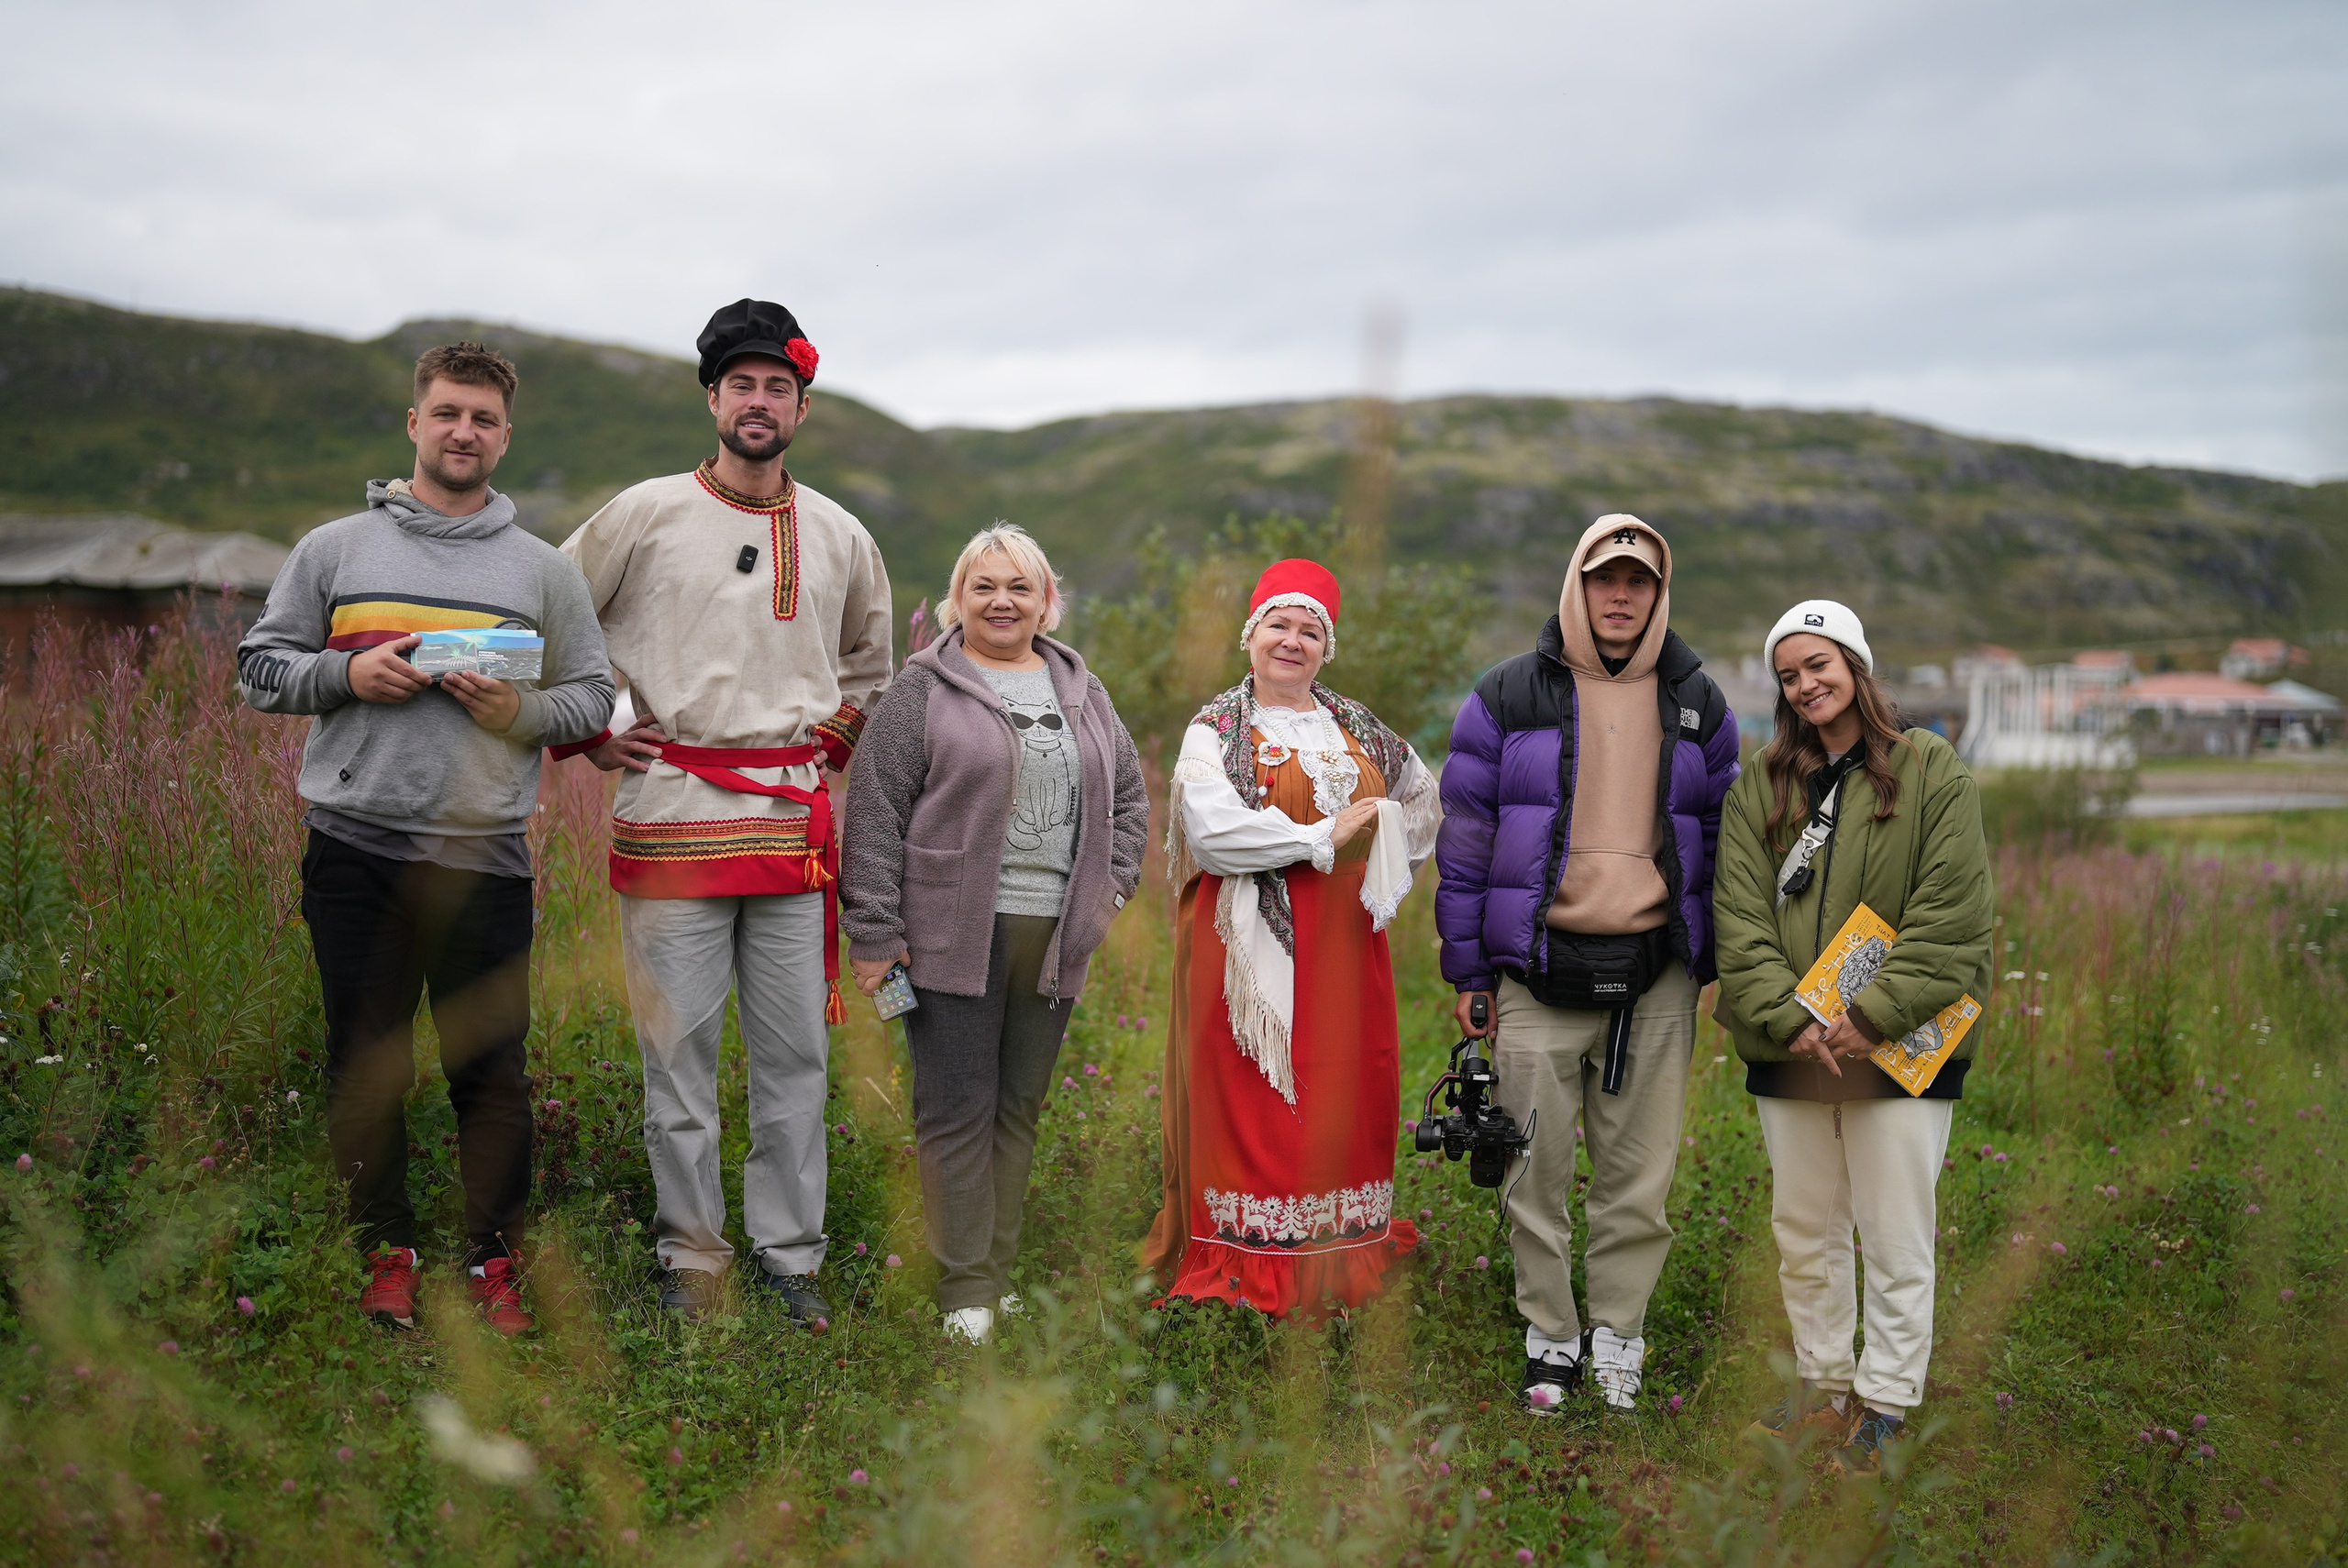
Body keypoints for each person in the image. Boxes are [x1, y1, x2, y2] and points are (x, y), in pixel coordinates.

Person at [238, 342, 615, 1336]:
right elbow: (258, 670)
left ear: (505, 436)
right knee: (368, 1062)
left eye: (484, 419)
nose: (464, 432)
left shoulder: (542, 571)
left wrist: (516, 714)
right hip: (355, 850)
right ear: (415, 423)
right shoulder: (334, 550)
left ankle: (494, 1262)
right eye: (448, 413)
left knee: (489, 1073)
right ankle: (386, 1253)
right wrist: (346, 678)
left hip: (482, 856)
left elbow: (590, 698)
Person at [555, 299, 892, 1323]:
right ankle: (692, 1261)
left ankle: (791, 1259)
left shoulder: (838, 532)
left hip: (791, 833)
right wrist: (598, 727)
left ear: (801, 405)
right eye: (740, 384)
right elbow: (551, 617)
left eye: (776, 387)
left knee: (796, 1059)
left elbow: (872, 667)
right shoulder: (645, 512)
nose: (758, 402)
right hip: (669, 818)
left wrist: (819, 752)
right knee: (679, 1059)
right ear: (712, 397)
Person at [1435, 514, 1738, 1414]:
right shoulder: (1504, 695)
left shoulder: (1697, 701)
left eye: (1637, 582)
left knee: (1638, 1178)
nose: (1620, 595)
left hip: (1656, 974)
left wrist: (1709, 958)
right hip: (1533, 969)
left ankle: (1617, 1335)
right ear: (1576, 582)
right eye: (1605, 577)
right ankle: (1550, 1335)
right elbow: (1467, 841)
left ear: (1658, 593)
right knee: (1531, 1169)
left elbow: (1721, 838)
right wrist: (1469, 974)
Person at [841, 525, 1148, 1343]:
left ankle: (997, 1273)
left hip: (1054, 939)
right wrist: (874, 929)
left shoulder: (1083, 690)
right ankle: (963, 1287)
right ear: (958, 599)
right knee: (956, 1109)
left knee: (1018, 1107)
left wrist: (1109, 894)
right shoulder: (923, 689)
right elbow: (873, 810)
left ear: (1047, 601)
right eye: (985, 586)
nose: (1003, 601)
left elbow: (1128, 801)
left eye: (1020, 587)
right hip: (950, 932)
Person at [1711, 600, 1992, 1474]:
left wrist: (1869, 1018)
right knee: (1805, 1226)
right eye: (1789, 674)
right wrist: (1793, 1017)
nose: (1805, 685)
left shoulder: (1931, 770)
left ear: (1857, 665)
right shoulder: (1763, 785)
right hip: (1792, 1046)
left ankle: (1888, 1401)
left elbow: (1952, 916)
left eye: (1818, 665)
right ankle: (1823, 1386)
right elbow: (1740, 919)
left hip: (1895, 1043)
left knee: (1895, 1230)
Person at [1142, 559, 1441, 1316]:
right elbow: (1210, 833)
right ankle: (1249, 1266)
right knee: (1256, 1097)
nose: (1293, 641)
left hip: (1345, 944)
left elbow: (1422, 798)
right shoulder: (1216, 726)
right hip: (1243, 947)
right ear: (1251, 634)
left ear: (1326, 648)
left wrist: (1382, 861)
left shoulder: (1358, 725)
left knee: (1344, 1088)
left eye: (1311, 631)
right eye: (1280, 624)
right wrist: (1320, 837)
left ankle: (1338, 1256)